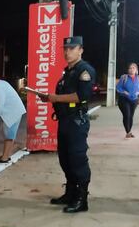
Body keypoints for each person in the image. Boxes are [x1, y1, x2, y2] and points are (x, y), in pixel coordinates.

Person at [37, 36, 96, 213]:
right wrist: (49, 98)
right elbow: (62, 96)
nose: (67, 52)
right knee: (65, 159)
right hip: (65, 121)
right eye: (65, 48)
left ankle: (82, 199)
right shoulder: (68, 72)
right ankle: (70, 193)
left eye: (72, 48)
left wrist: (56, 98)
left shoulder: (84, 70)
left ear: (81, 50)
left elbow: (82, 96)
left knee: (78, 160)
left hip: (76, 122)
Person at [116, 63, 139, 138]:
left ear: (136, 70)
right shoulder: (124, 77)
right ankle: (128, 132)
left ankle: (129, 131)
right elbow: (118, 87)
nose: (131, 70)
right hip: (124, 99)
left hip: (134, 100)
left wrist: (138, 92)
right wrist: (124, 92)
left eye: (133, 68)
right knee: (127, 115)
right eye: (130, 68)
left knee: (131, 116)